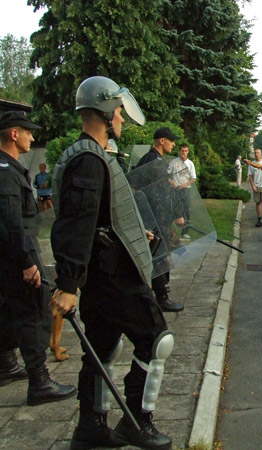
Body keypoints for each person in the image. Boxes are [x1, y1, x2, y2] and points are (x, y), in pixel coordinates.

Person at [50, 76, 173, 450]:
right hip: (111, 274)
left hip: (105, 269)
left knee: (103, 346)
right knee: (156, 340)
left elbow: (106, 216)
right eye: (118, 111)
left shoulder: (94, 154)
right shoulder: (89, 159)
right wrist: (68, 284)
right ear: (106, 111)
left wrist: (139, 233)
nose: (121, 118)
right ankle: (136, 422)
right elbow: (76, 222)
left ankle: (91, 428)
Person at [0, 111, 76, 405]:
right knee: (34, 314)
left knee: (7, 311)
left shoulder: (9, 168)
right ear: (13, 134)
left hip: (11, 256)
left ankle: (6, 363)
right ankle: (39, 382)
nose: (32, 137)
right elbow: (10, 222)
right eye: (27, 132)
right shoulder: (6, 172)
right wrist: (27, 262)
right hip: (17, 257)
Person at [137, 126, 185, 313]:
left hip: (156, 217)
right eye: (171, 140)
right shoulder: (152, 161)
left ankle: (157, 295)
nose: (174, 144)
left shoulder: (153, 160)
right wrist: (175, 214)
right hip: (155, 219)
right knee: (160, 258)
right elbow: (159, 192)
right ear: (161, 140)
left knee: (160, 257)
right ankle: (161, 298)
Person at [168, 143, 196, 239]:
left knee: (186, 210)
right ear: (179, 151)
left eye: (185, 151)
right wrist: (173, 183)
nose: (184, 153)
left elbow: (193, 178)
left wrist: (184, 185)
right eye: (182, 151)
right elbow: (166, 176)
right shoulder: (174, 162)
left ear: (188, 152)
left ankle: (185, 232)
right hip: (175, 189)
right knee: (173, 208)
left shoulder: (190, 164)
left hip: (186, 190)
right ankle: (170, 230)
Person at [248, 148, 262, 227]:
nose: (256, 154)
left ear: (261, 154)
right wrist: (253, 186)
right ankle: (259, 219)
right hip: (257, 185)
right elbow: (250, 176)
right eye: (255, 153)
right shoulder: (252, 164)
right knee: (258, 202)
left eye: (258, 153)